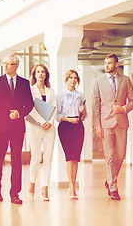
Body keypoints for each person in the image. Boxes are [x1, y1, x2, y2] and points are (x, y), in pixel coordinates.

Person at [0, 54, 34, 204]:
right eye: (4, 63)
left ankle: (15, 193)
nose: (5, 66)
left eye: (8, 64)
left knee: (16, 161)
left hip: (17, 128)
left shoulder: (24, 84)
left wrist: (19, 113)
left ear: (16, 66)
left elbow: (30, 104)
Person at [92, 54, 133, 200]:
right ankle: (113, 188)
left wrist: (122, 109)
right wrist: (97, 125)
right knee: (110, 155)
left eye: (110, 63)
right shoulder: (98, 81)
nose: (107, 65)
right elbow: (96, 105)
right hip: (105, 123)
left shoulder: (126, 80)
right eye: (105, 63)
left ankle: (110, 179)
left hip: (121, 121)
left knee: (121, 155)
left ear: (116, 64)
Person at [26, 64, 56, 201]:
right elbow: (29, 109)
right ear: (34, 75)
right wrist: (40, 122)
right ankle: (32, 183)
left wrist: (50, 122)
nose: (40, 74)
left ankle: (45, 188)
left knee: (48, 159)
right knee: (36, 158)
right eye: (38, 72)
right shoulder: (30, 90)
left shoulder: (51, 91)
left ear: (46, 75)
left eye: (43, 72)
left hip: (49, 128)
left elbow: (55, 109)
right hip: (34, 127)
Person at [56, 69, 86, 199]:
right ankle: (72, 188)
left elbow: (85, 116)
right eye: (70, 78)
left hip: (78, 126)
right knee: (69, 156)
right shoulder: (60, 95)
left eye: (75, 78)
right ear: (66, 80)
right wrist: (69, 119)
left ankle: (72, 185)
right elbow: (57, 115)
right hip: (65, 126)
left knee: (76, 157)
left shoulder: (81, 95)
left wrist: (83, 111)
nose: (73, 80)